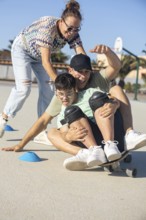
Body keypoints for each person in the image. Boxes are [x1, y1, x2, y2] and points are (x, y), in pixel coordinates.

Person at [2, 48, 146, 155]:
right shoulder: (64, 94)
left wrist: (114, 104)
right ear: (70, 70)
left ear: (91, 72)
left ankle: (129, 133)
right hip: (87, 133)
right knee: (55, 130)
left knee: (115, 90)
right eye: (79, 72)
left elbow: (115, 66)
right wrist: (21, 145)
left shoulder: (96, 82)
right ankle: (86, 153)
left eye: (86, 72)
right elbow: (43, 121)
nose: (83, 76)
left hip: (107, 124)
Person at [0, 0, 85, 138]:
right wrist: (61, 86)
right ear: (61, 21)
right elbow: (46, 62)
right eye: (69, 28)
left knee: (48, 90)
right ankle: (3, 118)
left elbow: (81, 55)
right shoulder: (48, 27)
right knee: (24, 88)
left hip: (39, 56)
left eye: (76, 29)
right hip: (23, 49)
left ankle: (40, 130)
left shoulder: (73, 32)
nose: (71, 33)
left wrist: (86, 72)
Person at [48, 73, 123, 171]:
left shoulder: (89, 93)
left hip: (110, 134)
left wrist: (114, 104)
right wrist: (68, 137)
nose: (65, 98)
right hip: (91, 143)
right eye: (61, 94)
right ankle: (92, 152)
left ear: (75, 89)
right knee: (69, 114)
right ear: (56, 92)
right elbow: (64, 134)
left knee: (98, 98)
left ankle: (110, 144)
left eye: (69, 93)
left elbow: (113, 98)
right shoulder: (62, 113)